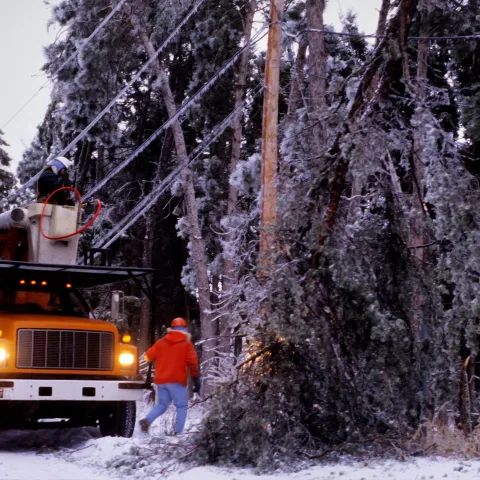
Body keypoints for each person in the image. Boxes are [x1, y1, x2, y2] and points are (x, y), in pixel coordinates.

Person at [139, 317, 200, 435]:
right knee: (181, 406)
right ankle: (178, 433)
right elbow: (192, 363)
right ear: (185, 329)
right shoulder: (186, 344)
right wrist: (196, 379)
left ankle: (146, 421)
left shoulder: (161, 342)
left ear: (171, 329)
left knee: (162, 405)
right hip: (177, 381)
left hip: (161, 381)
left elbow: (147, 356)